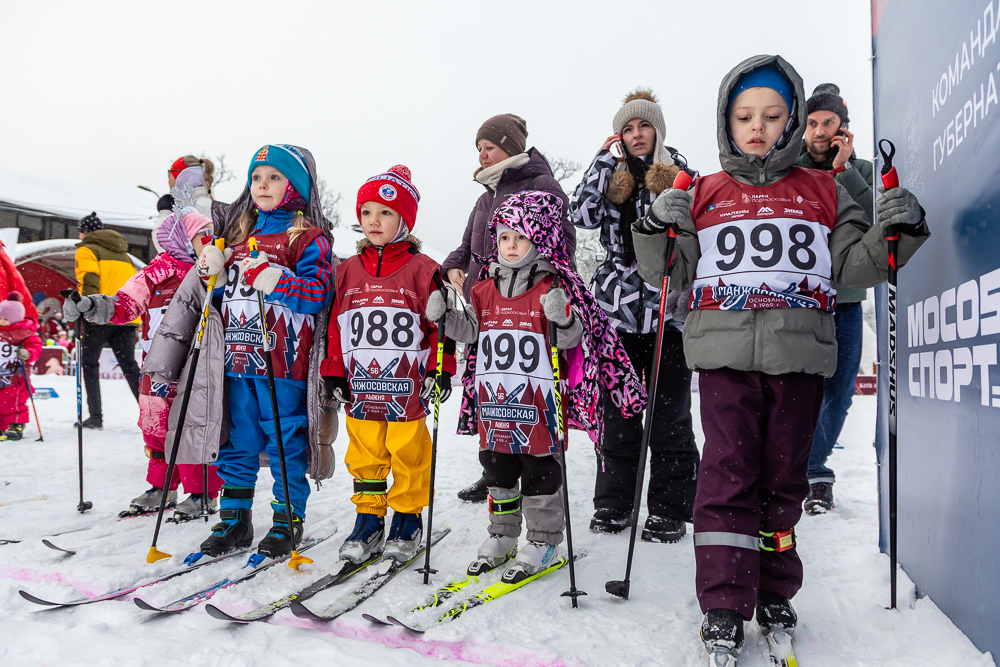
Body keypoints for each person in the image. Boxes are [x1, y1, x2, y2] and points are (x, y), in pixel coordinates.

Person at [631, 55, 930, 662]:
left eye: (771, 115)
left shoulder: (824, 189)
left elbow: (855, 266)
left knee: (783, 478)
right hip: (723, 356)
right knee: (726, 476)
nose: (758, 126)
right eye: (745, 116)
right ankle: (721, 601)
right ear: (727, 122)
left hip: (798, 355)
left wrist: (898, 229)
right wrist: (655, 225)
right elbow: (669, 269)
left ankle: (774, 590)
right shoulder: (707, 190)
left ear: (791, 119)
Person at [443, 190, 646, 578]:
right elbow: (471, 330)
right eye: (504, 237)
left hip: (538, 401)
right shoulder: (483, 287)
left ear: (541, 238)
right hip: (495, 401)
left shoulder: (553, 286)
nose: (511, 245)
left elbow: (572, 339)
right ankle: (502, 534)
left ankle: (544, 537)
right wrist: (447, 316)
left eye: (520, 236)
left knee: (539, 470)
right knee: (497, 468)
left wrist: (563, 319)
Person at [185, 144, 336, 558]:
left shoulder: (308, 238)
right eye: (256, 177)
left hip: (283, 361)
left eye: (273, 177)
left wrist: (276, 278)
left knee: (285, 441)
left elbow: (318, 294)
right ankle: (234, 519)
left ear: (295, 186)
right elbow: (213, 296)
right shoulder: (237, 233)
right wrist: (209, 268)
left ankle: (288, 520)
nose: (262, 185)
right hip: (237, 357)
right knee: (237, 440)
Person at [569, 88, 701, 542]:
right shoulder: (610, 175)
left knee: (671, 414)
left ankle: (670, 506)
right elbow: (580, 214)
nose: (637, 134)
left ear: (658, 129)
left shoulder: (684, 172)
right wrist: (604, 159)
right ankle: (613, 501)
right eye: (628, 128)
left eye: (644, 125)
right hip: (616, 309)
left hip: (668, 306)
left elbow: (698, 231)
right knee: (619, 411)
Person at [322, 165, 455, 564]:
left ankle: (407, 517)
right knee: (365, 453)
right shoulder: (346, 270)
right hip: (361, 385)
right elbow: (335, 327)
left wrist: (441, 368)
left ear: (404, 220)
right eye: (367, 212)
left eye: (385, 213)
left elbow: (440, 327)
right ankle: (368, 518)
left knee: (408, 451)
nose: (374, 221)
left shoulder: (425, 270)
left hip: (405, 387)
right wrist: (334, 370)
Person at [442, 113, 578, 503]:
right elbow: (466, 246)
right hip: (486, 305)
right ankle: (497, 470)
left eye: (490, 147)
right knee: (493, 389)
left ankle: (540, 468)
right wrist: (452, 268)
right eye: (479, 149)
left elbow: (560, 245)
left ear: (512, 147)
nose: (483, 155)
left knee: (529, 390)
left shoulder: (541, 185)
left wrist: (543, 287)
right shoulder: (486, 195)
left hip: (528, 307)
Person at [77, 190, 223, 520]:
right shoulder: (157, 273)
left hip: (195, 364)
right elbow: (124, 305)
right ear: (184, 239)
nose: (211, 242)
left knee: (191, 424)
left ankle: (202, 492)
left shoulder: (213, 273)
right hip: (157, 365)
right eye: (203, 237)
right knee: (155, 424)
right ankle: (163, 486)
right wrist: (92, 305)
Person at [797, 83, 876, 515]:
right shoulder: (792, 169)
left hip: (844, 299)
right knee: (798, 390)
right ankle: (796, 468)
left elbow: (873, 221)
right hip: (801, 297)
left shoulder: (859, 168)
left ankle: (815, 471)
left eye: (829, 122)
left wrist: (846, 169)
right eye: (813, 123)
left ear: (843, 127)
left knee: (840, 392)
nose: (821, 131)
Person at [70, 212, 141, 429]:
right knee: (130, 366)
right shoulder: (124, 255)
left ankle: (96, 417)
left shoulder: (86, 250)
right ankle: (151, 413)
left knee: (89, 364)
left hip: (99, 315)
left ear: (85, 232)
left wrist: (86, 310)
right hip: (126, 316)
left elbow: (89, 282)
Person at [0, 293, 42, 441]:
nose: (1, 321)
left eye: (5, 319)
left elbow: (35, 347)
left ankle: (16, 424)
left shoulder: (24, 334)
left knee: (13, 400)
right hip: (0, 373)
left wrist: (28, 353)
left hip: (15, 375)